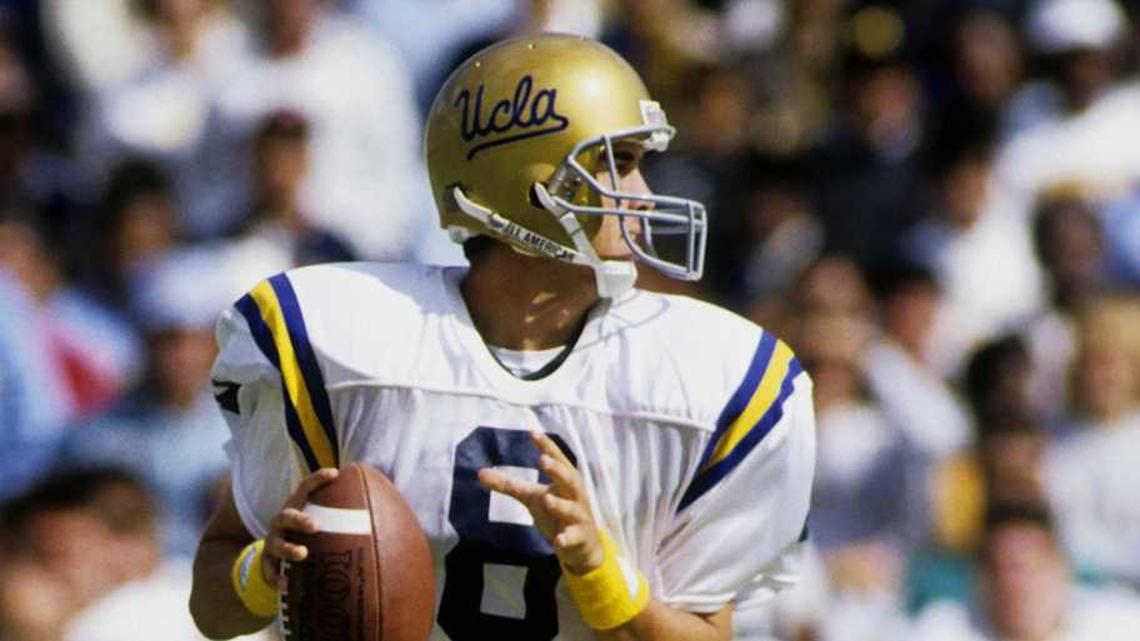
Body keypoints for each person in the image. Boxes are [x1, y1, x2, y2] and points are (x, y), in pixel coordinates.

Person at [190, 34, 815, 641]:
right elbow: (212, 606)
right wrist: (260, 573)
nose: (644, 197)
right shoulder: (338, 344)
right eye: (617, 165)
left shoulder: (705, 377)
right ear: (528, 181)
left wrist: (603, 575)